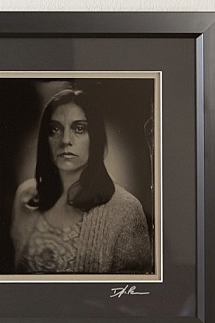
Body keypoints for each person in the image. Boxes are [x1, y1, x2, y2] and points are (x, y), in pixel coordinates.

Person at [11, 89, 152, 274]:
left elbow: (130, 295)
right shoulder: (25, 197)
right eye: (55, 129)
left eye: (79, 129)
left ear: (95, 138)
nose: (65, 140)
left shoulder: (126, 210)